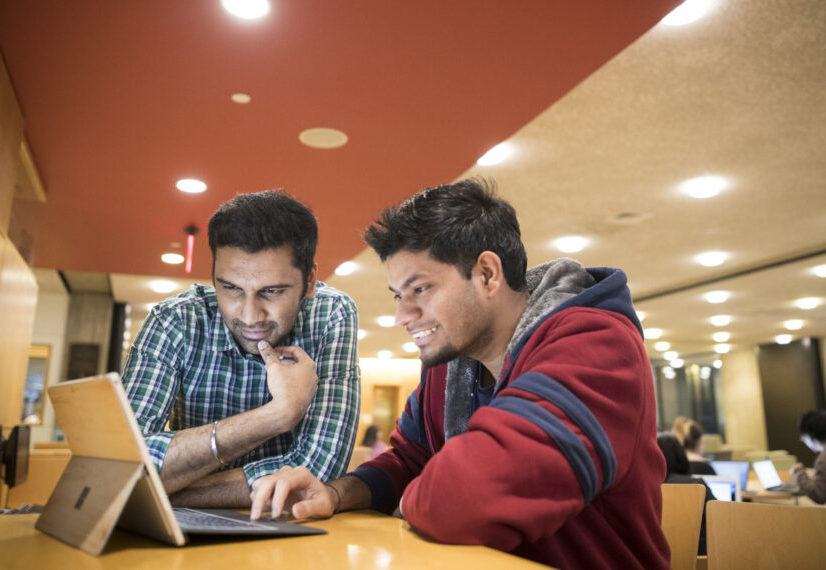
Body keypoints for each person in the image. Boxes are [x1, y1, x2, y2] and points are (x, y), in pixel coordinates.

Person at [250, 178, 669, 569]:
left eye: (420, 289)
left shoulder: (594, 343)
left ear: (487, 274)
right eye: (399, 295)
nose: (402, 315)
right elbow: (409, 462)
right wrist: (337, 494)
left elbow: (463, 502)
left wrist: (417, 495)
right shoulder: (449, 363)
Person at [121, 190, 361, 507]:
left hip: (291, 538)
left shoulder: (332, 314)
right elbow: (124, 462)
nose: (249, 316)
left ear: (310, 280)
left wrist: (170, 487)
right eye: (231, 288)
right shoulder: (175, 320)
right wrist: (276, 416)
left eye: (272, 291)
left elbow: (318, 470)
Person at [657, 432, 714, 555]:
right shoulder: (696, 486)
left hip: (664, 557)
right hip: (702, 559)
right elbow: (720, 520)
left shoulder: (651, 489)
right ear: (680, 455)